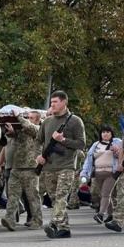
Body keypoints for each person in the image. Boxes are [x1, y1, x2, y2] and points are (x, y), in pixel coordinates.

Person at [35, 91, 86, 239]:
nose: (52, 105)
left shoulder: (75, 121)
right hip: (49, 166)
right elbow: (38, 141)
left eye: (55, 102)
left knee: (61, 197)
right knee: (53, 198)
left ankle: (54, 223)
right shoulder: (47, 122)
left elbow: (81, 144)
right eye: (51, 102)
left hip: (67, 165)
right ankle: (64, 229)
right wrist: (38, 156)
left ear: (64, 102)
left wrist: (63, 140)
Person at [1, 109, 43, 231]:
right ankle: (10, 219)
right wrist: (10, 130)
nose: (27, 119)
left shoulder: (38, 129)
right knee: (13, 195)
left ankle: (37, 221)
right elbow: (13, 136)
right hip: (17, 166)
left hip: (31, 167)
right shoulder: (22, 130)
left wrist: (19, 117)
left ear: (37, 120)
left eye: (30, 117)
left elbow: (30, 127)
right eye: (27, 117)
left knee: (32, 196)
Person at [80, 125, 122, 224]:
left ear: (112, 133)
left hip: (111, 173)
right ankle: (111, 215)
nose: (105, 134)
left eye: (108, 132)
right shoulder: (96, 144)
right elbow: (88, 160)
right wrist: (84, 173)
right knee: (102, 195)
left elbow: (122, 155)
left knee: (105, 194)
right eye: (103, 132)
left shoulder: (117, 142)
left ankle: (101, 214)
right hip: (97, 173)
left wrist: (117, 151)